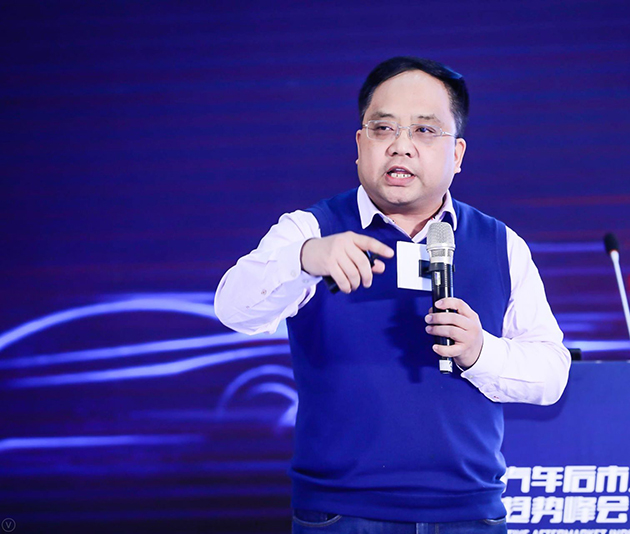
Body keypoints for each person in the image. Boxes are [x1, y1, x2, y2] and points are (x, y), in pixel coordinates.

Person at [214, 56, 571, 533]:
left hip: (469, 514)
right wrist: (304, 258)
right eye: (383, 128)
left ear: (457, 154)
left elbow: (552, 374)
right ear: (360, 144)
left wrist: (479, 351)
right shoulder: (312, 229)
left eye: (424, 131)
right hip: (341, 515)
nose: (401, 146)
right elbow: (233, 309)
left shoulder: (500, 243)